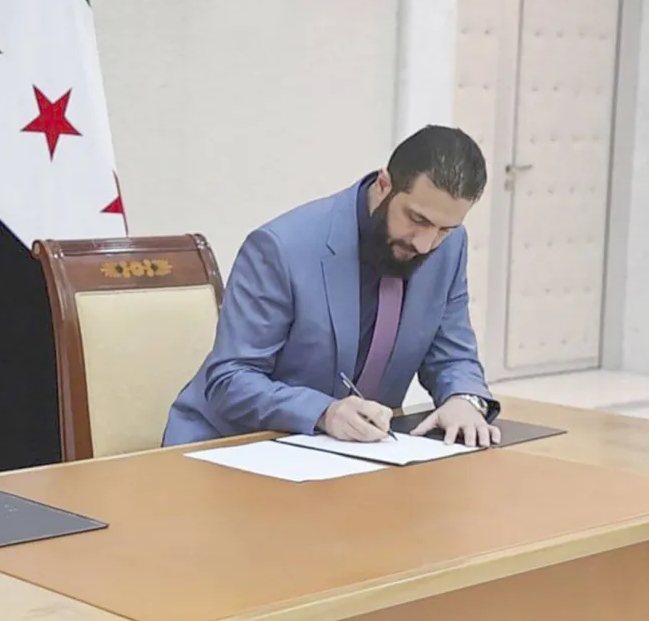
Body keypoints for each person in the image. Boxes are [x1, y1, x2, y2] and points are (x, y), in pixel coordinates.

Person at [163, 125, 501, 449]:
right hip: (230, 446)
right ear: (384, 185)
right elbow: (230, 380)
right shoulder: (281, 248)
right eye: (417, 219)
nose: (425, 244)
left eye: (445, 229)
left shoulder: (450, 247)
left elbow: (452, 352)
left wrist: (464, 399)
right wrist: (324, 412)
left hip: (349, 455)